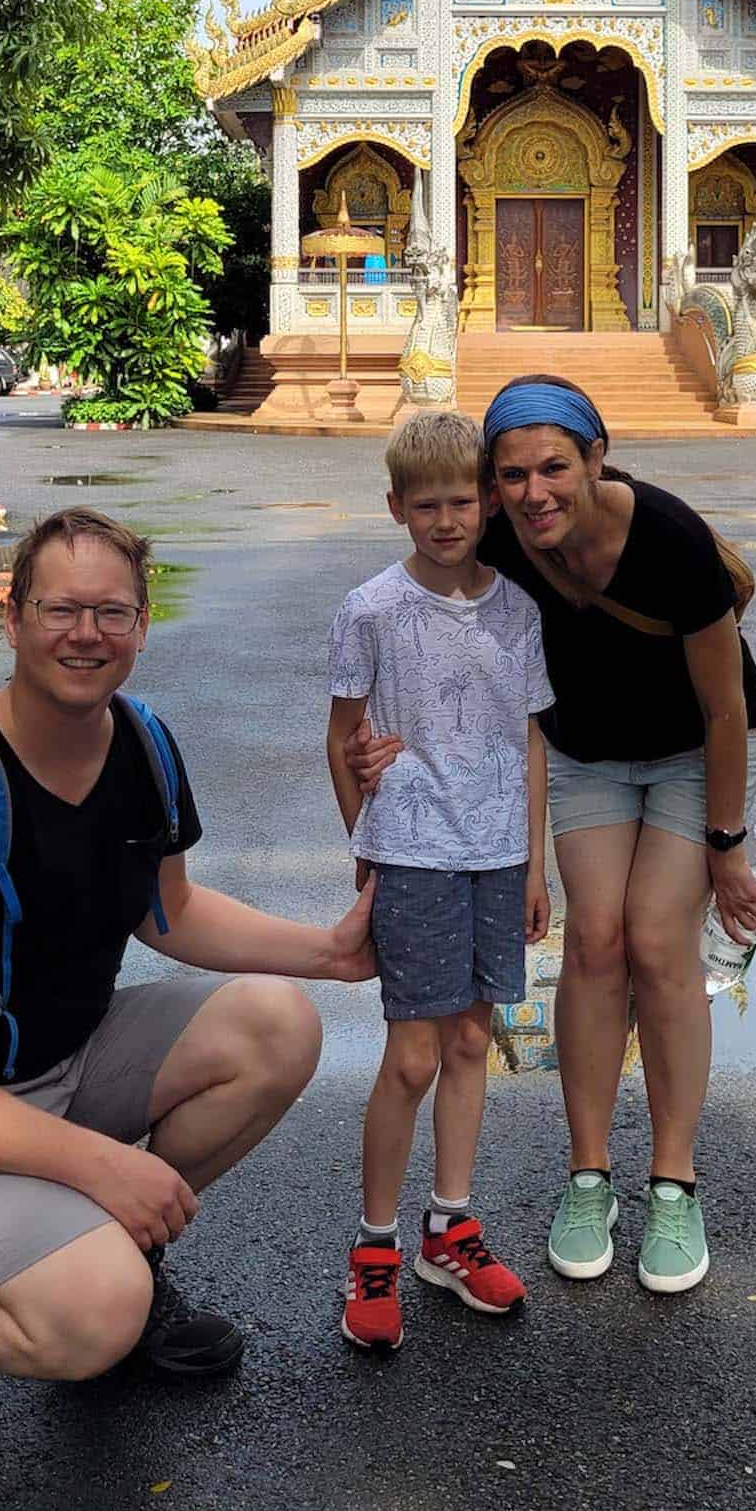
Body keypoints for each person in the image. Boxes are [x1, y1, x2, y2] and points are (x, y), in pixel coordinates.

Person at [0, 505, 376, 1400]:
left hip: (56, 1070)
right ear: (14, 618)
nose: (86, 634)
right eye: (60, 609)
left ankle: (108, 1244)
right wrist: (103, 1165)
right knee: (96, 1319)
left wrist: (333, 953)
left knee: (278, 1026)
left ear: (142, 626)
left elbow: (168, 912)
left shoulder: (143, 746)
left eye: (112, 612)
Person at [353, 377, 756, 1296]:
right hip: (586, 755)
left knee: (660, 943)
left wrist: (728, 843)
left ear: (596, 456)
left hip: (688, 754)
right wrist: (389, 738)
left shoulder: (669, 536)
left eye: (554, 466)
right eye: (512, 475)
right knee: (593, 940)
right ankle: (589, 1177)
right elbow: (436, 622)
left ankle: (674, 1181)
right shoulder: (498, 529)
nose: (534, 491)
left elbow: (725, 709)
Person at [325, 410, 554, 1353]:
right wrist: (365, 842)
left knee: (471, 1041)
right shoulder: (371, 608)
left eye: (464, 500)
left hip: (498, 853)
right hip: (414, 852)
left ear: (490, 505)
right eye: (428, 505)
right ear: (397, 509)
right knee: (410, 1056)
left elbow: (531, 738)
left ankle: (448, 1229)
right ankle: (374, 1246)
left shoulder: (519, 611)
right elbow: (342, 738)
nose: (448, 520)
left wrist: (535, 862)